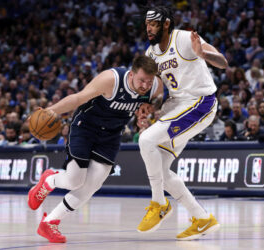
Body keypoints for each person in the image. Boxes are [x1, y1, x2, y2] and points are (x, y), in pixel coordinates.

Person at [27, 55, 163, 243]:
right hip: (86, 127)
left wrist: (146, 108)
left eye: (149, 82)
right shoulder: (111, 80)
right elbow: (78, 97)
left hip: (111, 134)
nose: (145, 86)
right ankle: (49, 180)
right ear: (131, 74)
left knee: (93, 184)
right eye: (142, 81)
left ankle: (50, 222)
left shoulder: (155, 85)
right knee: (75, 180)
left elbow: (159, 99)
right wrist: (52, 110)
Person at [137, 6, 228, 240]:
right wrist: (150, 103)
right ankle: (202, 219)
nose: (148, 28)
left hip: (200, 102)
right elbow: (159, 88)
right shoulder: (151, 53)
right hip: (177, 105)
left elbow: (223, 62)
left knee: (146, 139)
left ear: (166, 24)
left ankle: (158, 203)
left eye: (153, 24)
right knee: (161, 170)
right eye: (147, 24)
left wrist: (204, 54)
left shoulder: (186, 39)